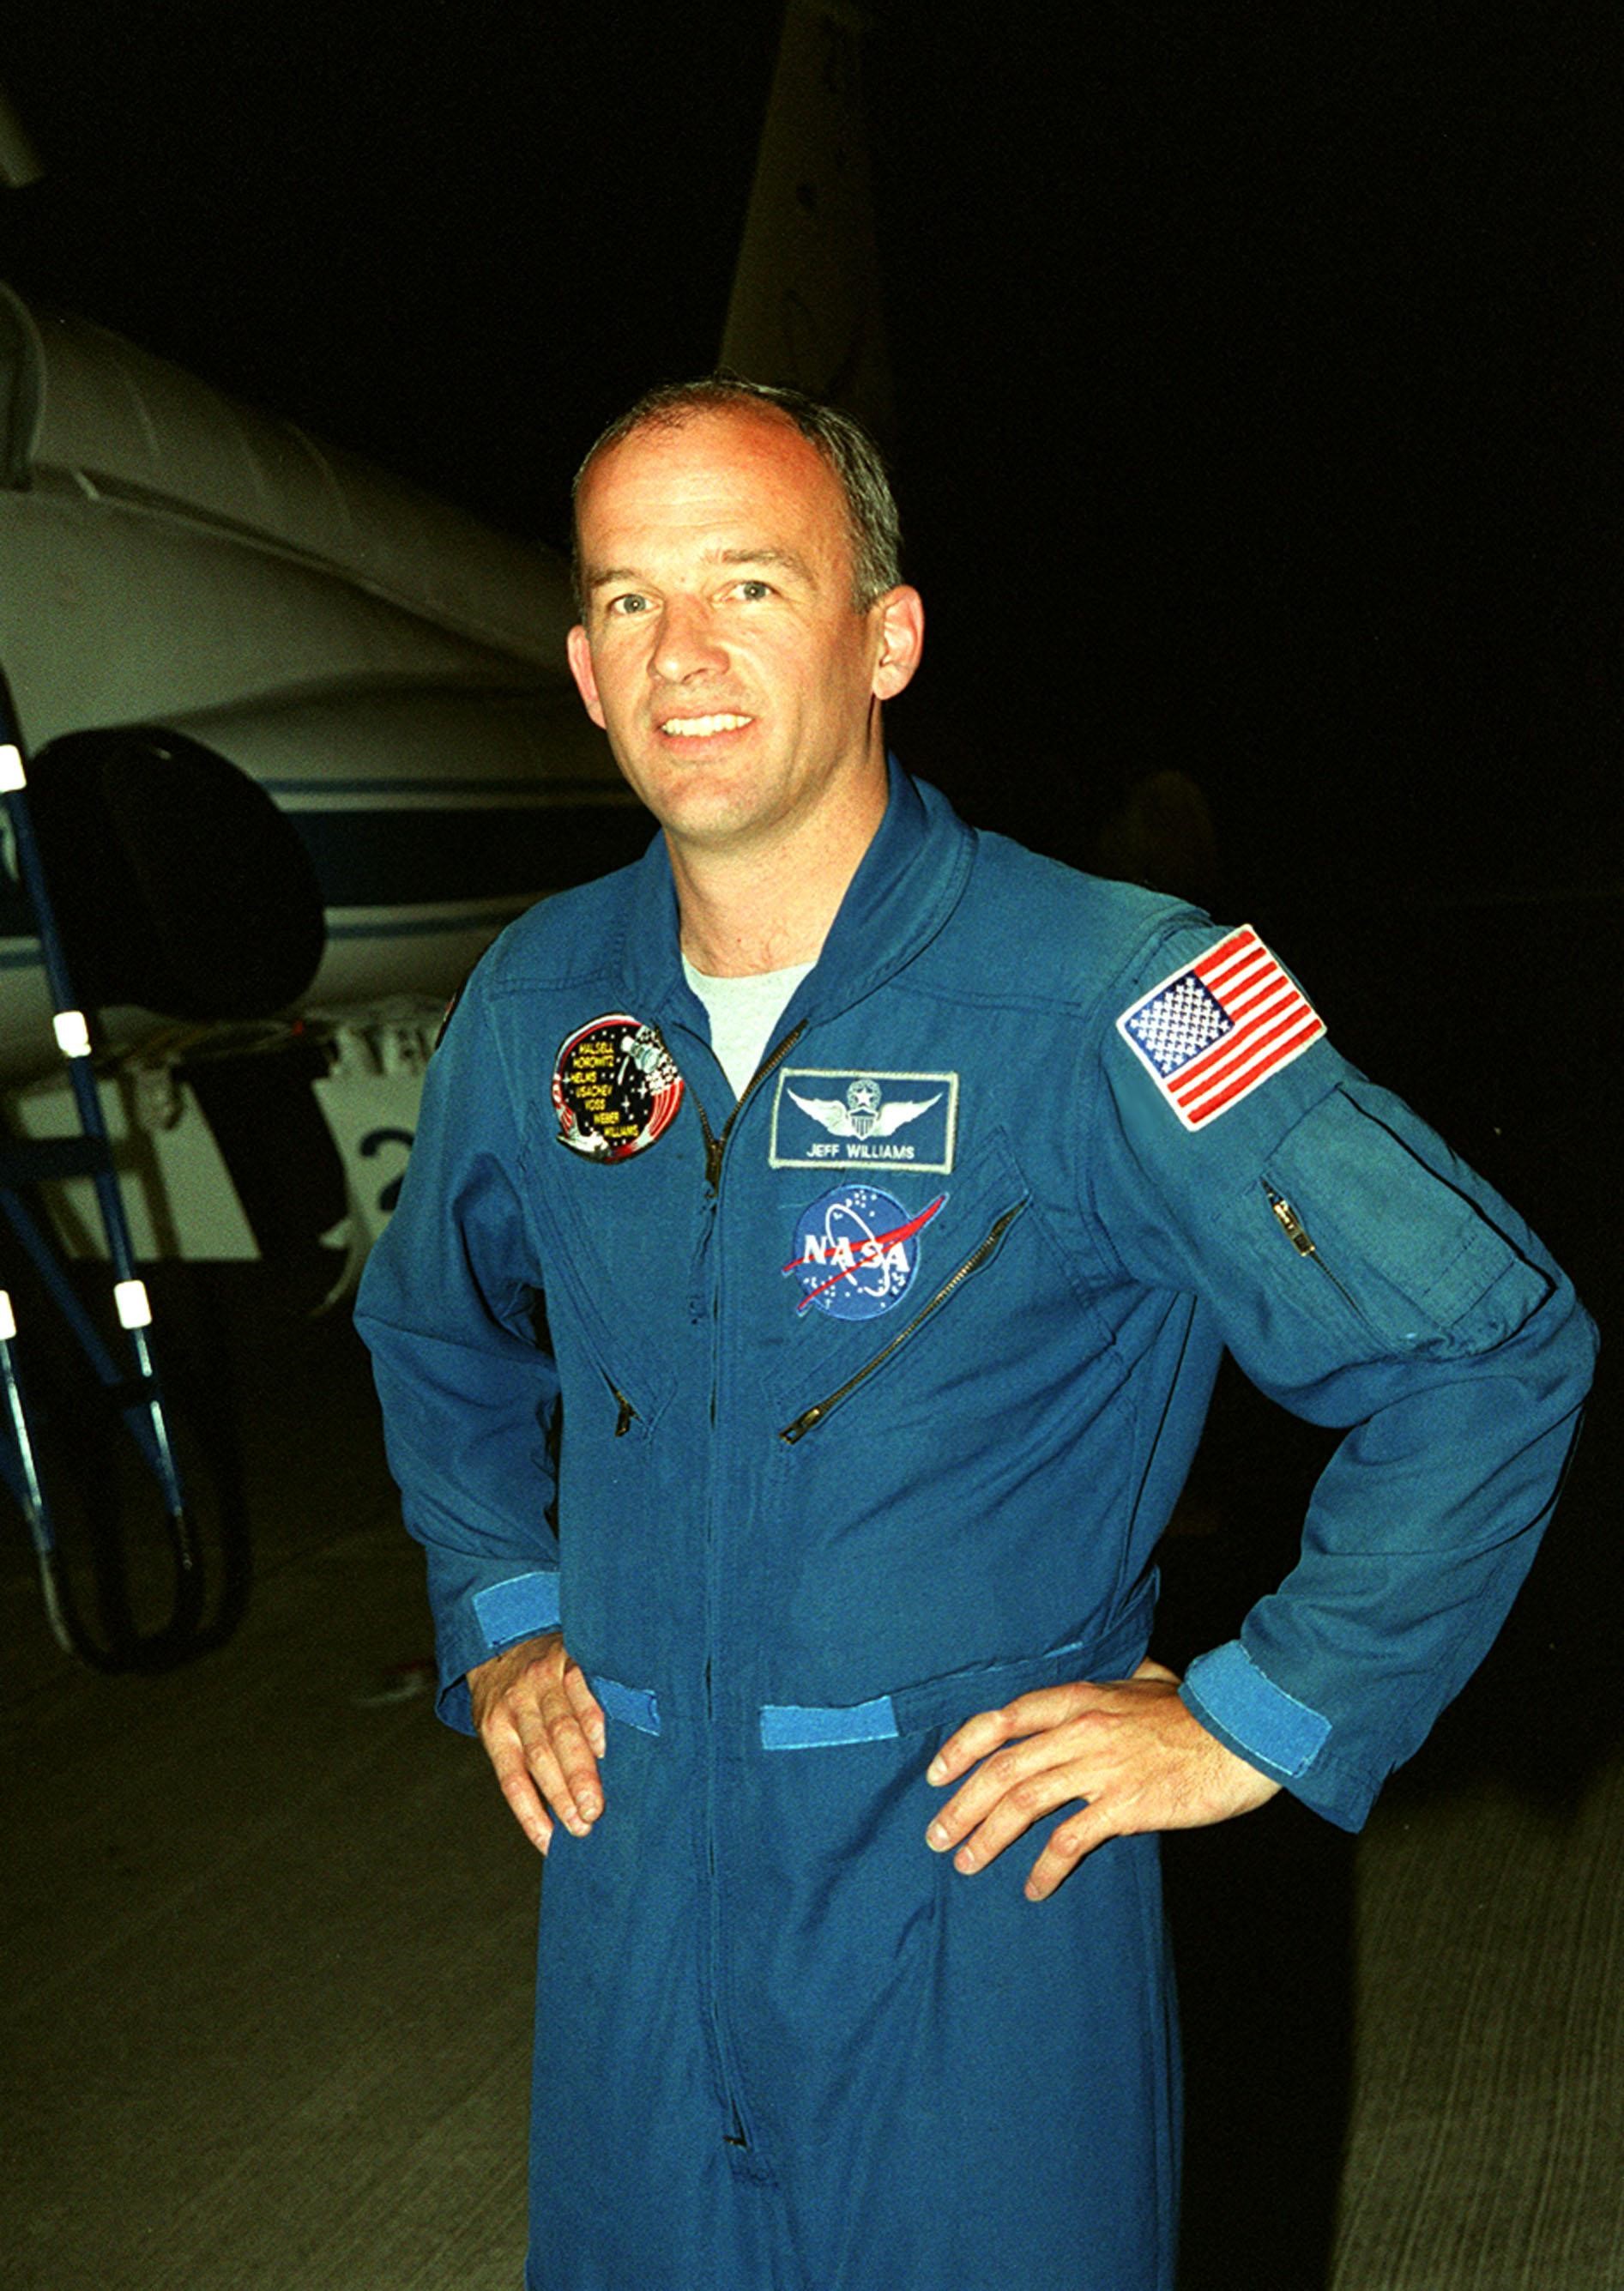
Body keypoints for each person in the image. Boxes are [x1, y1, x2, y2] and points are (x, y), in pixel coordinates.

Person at [355, 378, 1596, 2291]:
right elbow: (434, 1332)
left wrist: (1262, 1712)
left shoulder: (1118, 988)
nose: (681, 653)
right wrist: (504, 1611)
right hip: (634, 1892)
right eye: (625, 599)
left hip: (973, 1887)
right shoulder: (539, 1001)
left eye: (748, 585)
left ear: (885, 636)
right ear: (583, 670)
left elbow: (1485, 1350)